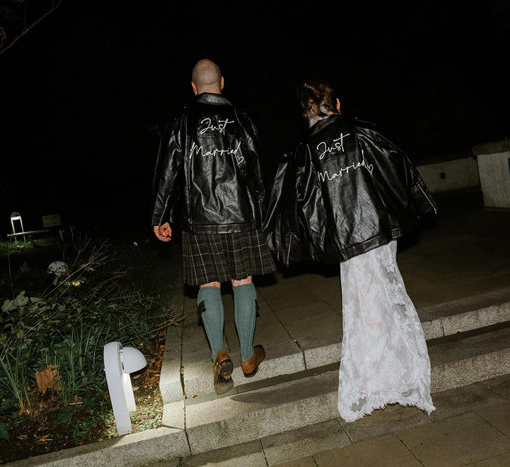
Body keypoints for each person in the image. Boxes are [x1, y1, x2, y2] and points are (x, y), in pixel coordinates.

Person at [266, 82, 437, 421]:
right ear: (337, 104)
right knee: (386, 292)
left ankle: (380, 373)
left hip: (348, 238)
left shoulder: (307, 151)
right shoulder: (362, 132)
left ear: (306, 113)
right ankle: (397, 371)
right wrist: (417, 202)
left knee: (362, 301)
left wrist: (306, 243)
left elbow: (299, 204)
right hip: (379, 229)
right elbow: (397, 164)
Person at [152, 59, 275, 395]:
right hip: (239, 216)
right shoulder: (241, 117)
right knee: (242, 280)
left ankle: (219, 355)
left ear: (194, 88)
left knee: (208, 283)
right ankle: (248, 356)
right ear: (222, 81)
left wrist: (159, 215)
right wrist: (264, 210)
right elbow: (257, 170)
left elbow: (168, 171)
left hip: (198, 219)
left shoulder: (181, 121)